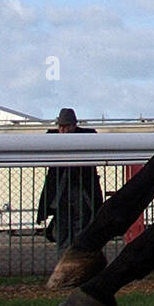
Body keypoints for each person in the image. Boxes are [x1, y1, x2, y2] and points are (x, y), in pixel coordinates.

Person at [37, 108, 103, 252]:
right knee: (63, 227)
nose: (63, 130)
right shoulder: (82, 136)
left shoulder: (87, 135)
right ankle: (68, 258)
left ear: (74, 125)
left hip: (77, 190)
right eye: (61, 127)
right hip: (65, 191)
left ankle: (78, 257)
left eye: (66, 126)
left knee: (82, 225)